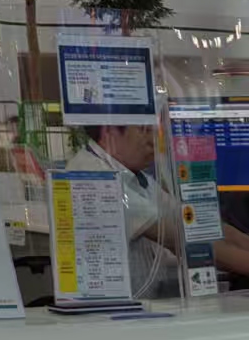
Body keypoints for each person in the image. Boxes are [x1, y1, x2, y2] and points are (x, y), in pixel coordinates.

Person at [70, 124, 249, 297]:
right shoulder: (95, 176)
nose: (153, 141)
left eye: (154, 130)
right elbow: (182, 241)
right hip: (110, 314)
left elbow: (198, 223)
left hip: (143, 304)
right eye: (144, 130)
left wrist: (242, 240)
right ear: (109, 132)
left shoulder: (134, 176)